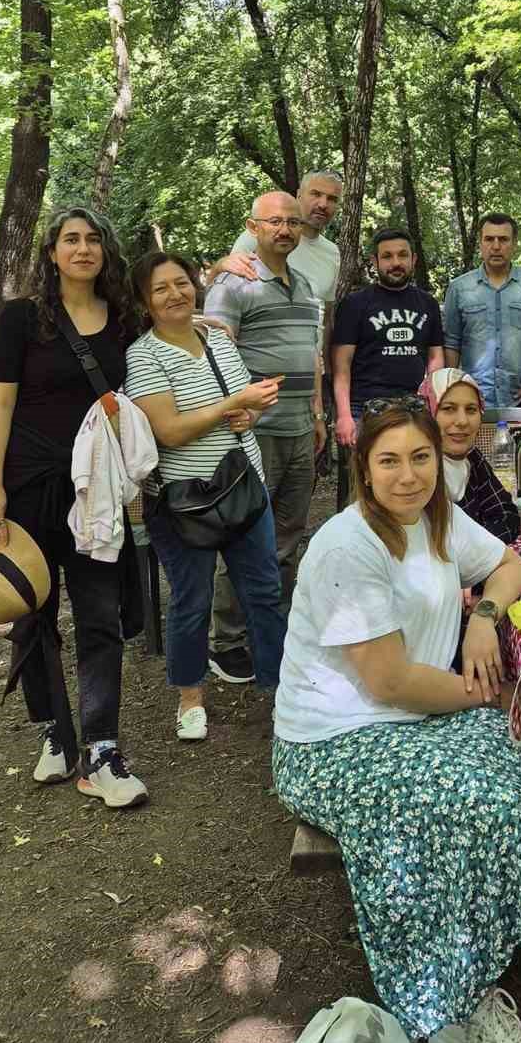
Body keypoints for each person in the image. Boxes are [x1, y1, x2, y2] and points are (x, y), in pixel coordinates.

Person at [272, 402, 521, 1043]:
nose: (408, 476)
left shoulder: (435, 519)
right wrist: (486, 694)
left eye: (419, 458)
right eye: (389, 461)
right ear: (364, 470)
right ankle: (446, 1005)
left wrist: (484, 621)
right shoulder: (347, 547)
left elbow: (507, 565)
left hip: (422, 717)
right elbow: (390, 682)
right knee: (468, 805)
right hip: (337, 742)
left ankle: (508, 931)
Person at [0, 206, 148, 807]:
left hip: (95, 493)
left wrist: (207, 324)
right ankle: (56, 728)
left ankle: (101, 748)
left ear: (105, 252)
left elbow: (164, 346)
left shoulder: (125, 320)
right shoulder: (22, 319)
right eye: (71, 239)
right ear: (51, 253)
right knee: (35, 613)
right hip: (29, 486)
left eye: (93, 239)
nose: (83, 248)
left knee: (100, 615)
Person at [126, 253, 287, 739]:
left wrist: (249, 414)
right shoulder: (144, 355)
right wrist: (232, 406)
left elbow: (243, 405)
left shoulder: (217, 338)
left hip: (244, 485)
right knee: (191, 600)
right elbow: (170, 431)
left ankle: (280, 689)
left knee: (263, 592)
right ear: (144, 301)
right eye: (160, 289)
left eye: (181, 283)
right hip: (184, 500)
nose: (175, 294)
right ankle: (190, 696)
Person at [203, 192, 324, 683]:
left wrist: (316, 412)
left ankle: (270, 629)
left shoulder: (308, 285)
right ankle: (226, 641)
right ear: (254, 227)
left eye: (292, 222)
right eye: (275, 221)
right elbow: (213, 352)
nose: (285, 230)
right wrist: (238, 406)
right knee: (246, 537)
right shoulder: (235, 283)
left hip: (300, 429)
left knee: (288, 536)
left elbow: (310, 353)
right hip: (255, 435)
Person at [332, 226, 444, 454]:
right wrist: (344, 415)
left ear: (413, 259)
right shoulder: (355, 304)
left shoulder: (428, 303)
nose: (396, 263)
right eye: (387, 256)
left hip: (414, 407)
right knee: (361, 483)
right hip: (363, 409)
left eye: (402, 255)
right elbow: (341, 366)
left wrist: (433, 401)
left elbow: (435, 356)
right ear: (375, 261)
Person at [442, 213, 521, 409]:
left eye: (503, 239)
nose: (496, 246)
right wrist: (452, 386)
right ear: (480, 243)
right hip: (474, 399)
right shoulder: (459, 288)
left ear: (514, 243)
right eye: (489, 239)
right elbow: (452, 341)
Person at [215, 168, 343, 335]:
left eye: (332, 199)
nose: (323, 204)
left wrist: (325, 360)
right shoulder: (258, 236)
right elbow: (222, 292)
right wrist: (219, 265)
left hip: (309, 359)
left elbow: (324, 318)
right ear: (299, 195)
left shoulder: (332, 253)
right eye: (316, 194)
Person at [418, 368, 520, 545]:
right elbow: (434, 545)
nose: (462, 421)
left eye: (471, 409)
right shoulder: (416, 470)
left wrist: (474, 548)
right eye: (448, 409)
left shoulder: (472, 459)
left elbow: (507, 517)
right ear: (427, 413)